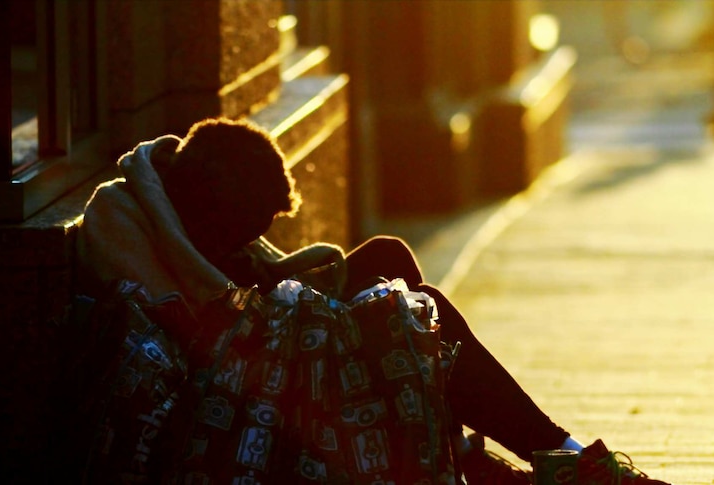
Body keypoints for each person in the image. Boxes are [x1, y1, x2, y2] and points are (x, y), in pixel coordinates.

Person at [76, 117, 670, 485]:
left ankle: (499, 453)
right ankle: (543, 456)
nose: (243, 237)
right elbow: (190, 323)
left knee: (394, 267)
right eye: (244, 224)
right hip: (228, 388)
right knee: (403, 320)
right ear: (214, 200)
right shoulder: (121, 216)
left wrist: (299, 285)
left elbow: (254, 275)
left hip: (267, 344)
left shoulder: (198, 204)